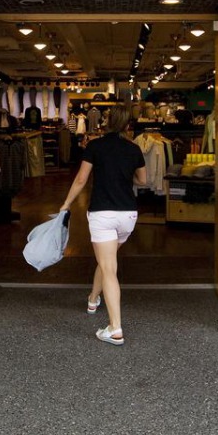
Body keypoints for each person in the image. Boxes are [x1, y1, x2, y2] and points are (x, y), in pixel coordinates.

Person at [59, 103, 147, 346]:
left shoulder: (95, 146)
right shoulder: (134, 149)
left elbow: (80, 179)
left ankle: (115, 328)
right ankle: (92, 298)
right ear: (129, 125)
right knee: (107, 261)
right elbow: (143, 180)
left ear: (107, 122)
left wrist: (66, 203)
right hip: (127, 215)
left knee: (108, 267)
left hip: (103, 214)